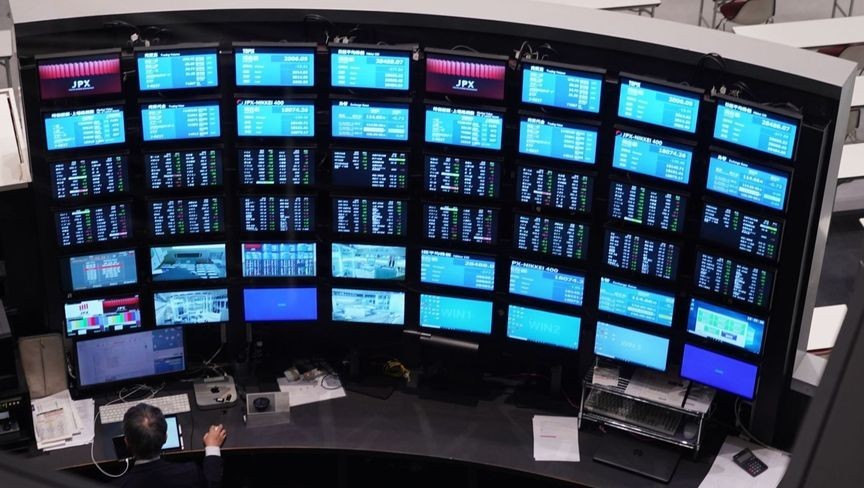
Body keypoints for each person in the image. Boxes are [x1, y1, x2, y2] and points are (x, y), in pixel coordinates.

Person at [117, 403, 226, 488]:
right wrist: (212, 447)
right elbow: (212, 484)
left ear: (126, 442)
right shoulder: (190, 473)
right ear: (165, 437)